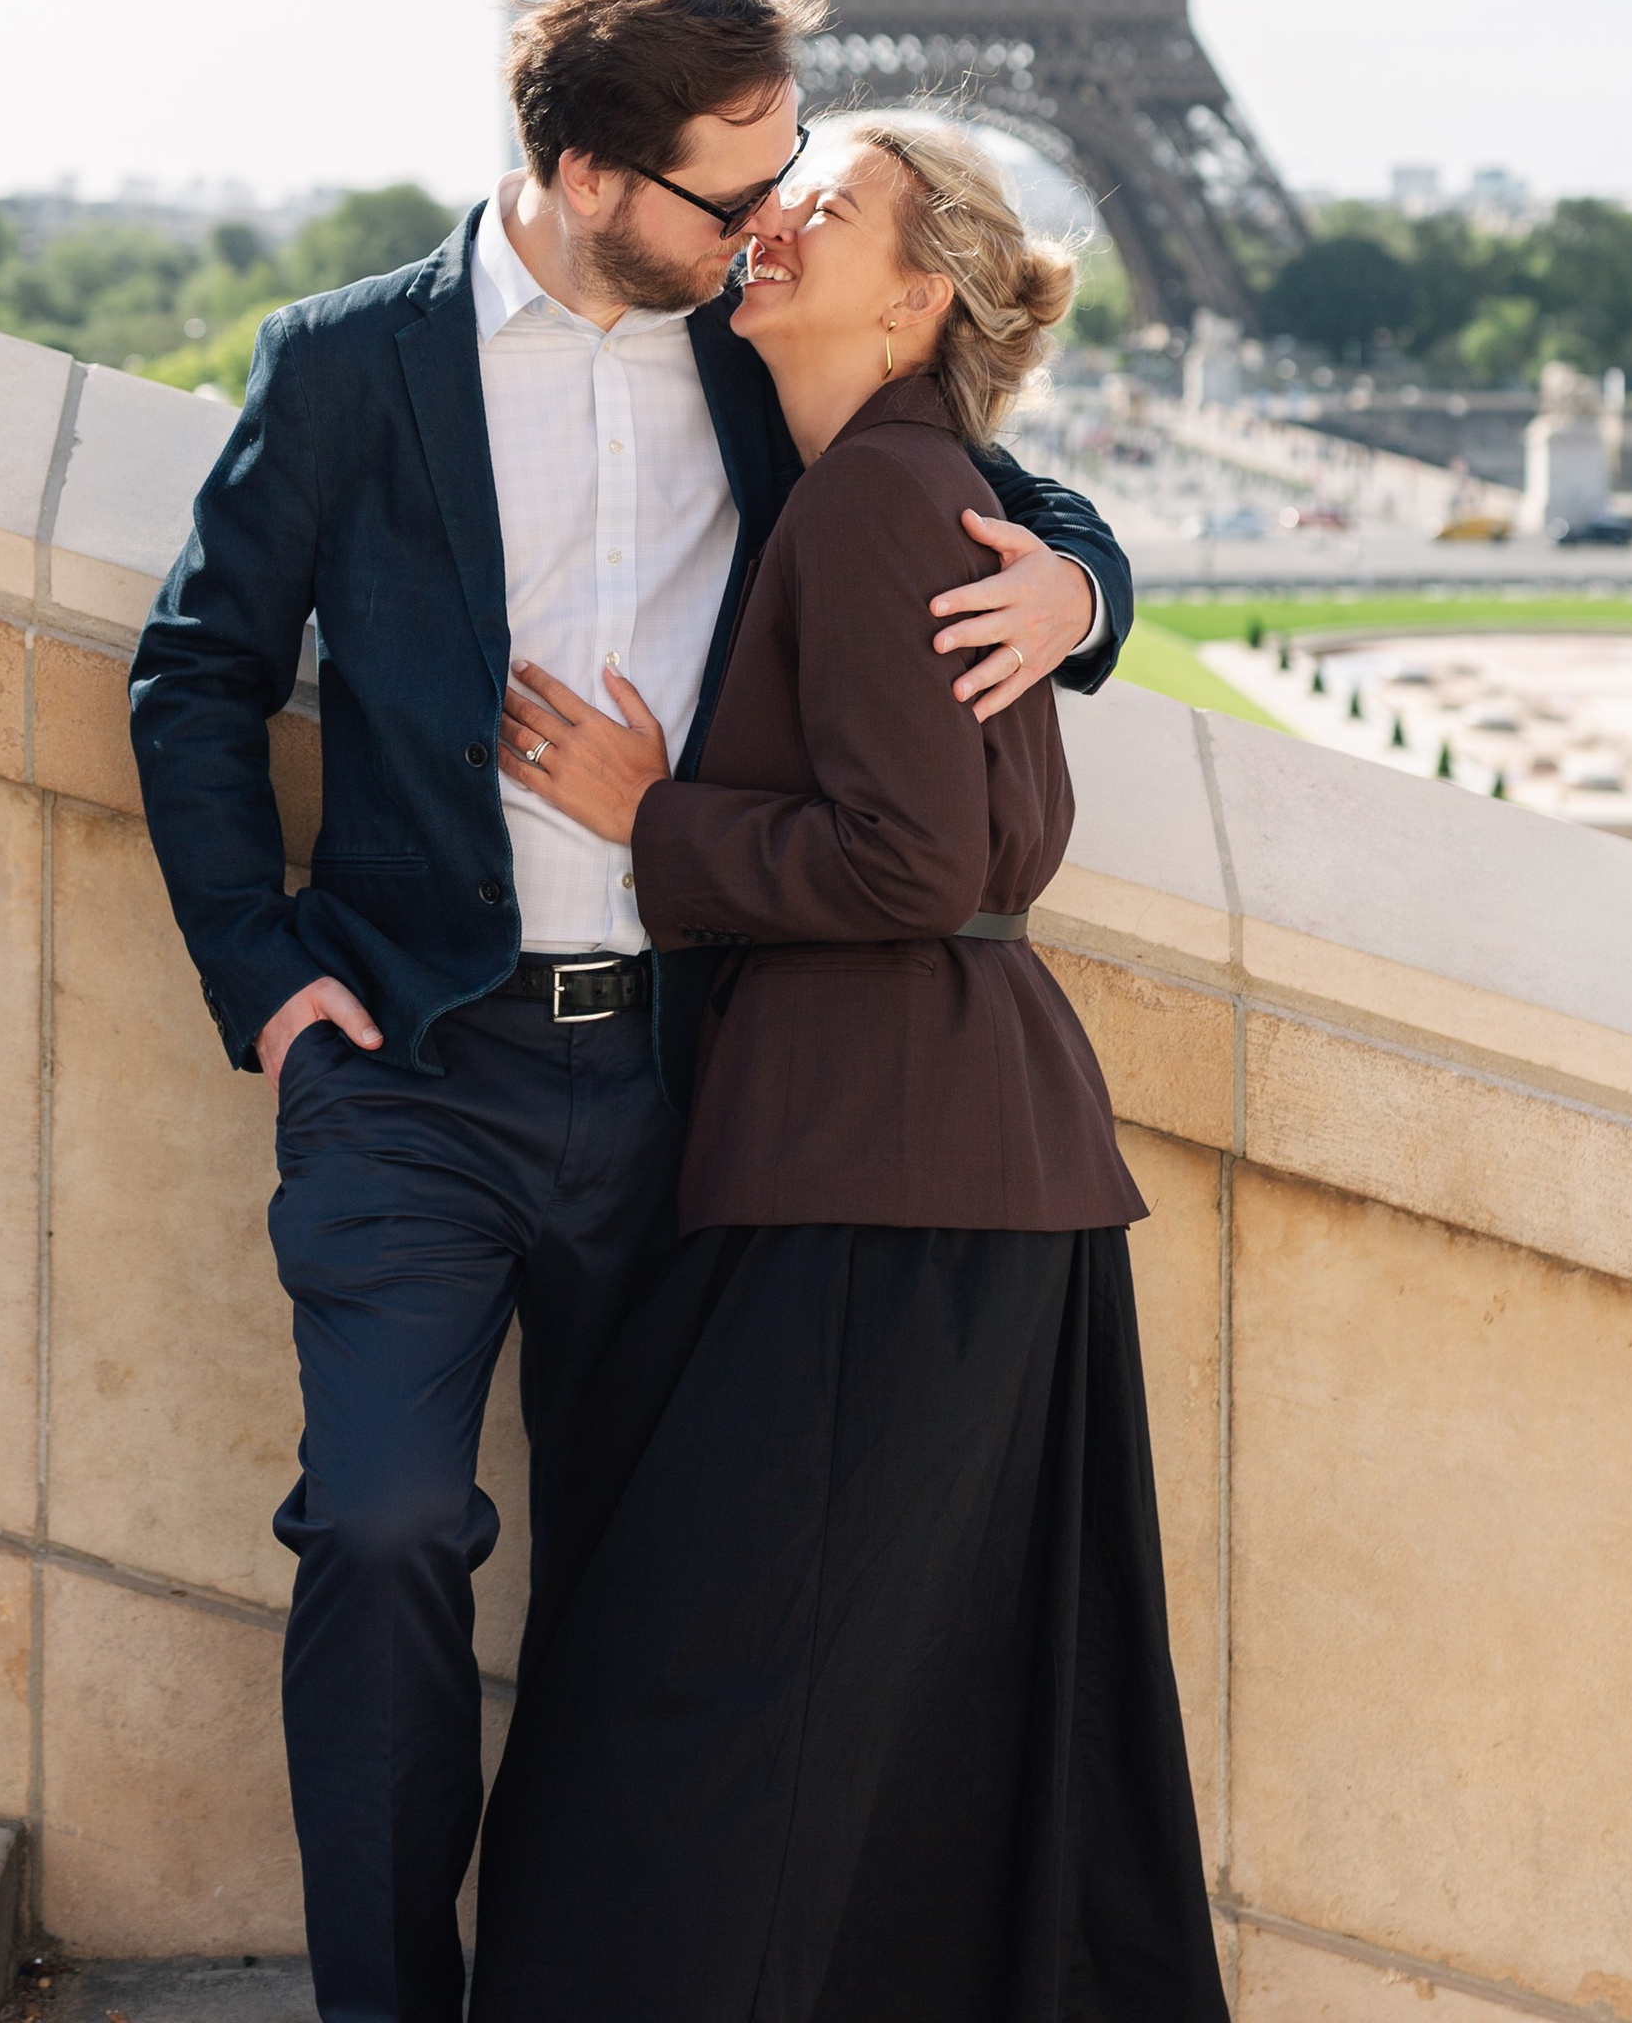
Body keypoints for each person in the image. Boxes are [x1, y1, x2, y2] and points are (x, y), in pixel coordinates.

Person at [128, 0, 1136, 2023]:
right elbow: (198, 673)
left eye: (792, 181)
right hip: (415, 1065)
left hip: (695, 1080)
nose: (767, 227)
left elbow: (967, 474)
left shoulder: (755, 361)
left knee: (637, 1602)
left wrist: (1086, 583)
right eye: (731, 191)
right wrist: (264, 974)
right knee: (386, 1531)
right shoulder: (347, 364)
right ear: (588, 173)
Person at [471, 116, 1224, 2023]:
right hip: (939, 1157)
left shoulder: (883, 494)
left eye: (829, 203)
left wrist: (655, 818)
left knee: (705, 1693)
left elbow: (916, 864)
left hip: (882, 1169)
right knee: (910, 1714)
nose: (777, 216)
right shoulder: (888, 476)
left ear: (915, 304)